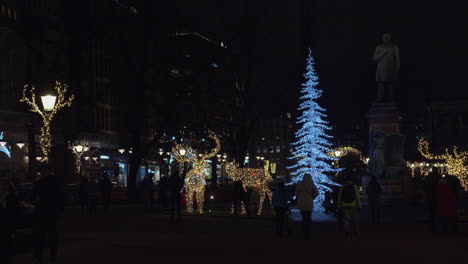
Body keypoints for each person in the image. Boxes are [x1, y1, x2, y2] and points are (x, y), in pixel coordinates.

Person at [32, 164, 64, 264]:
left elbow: (60, 198)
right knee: (45, 236)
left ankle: (45, 257)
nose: (43, 173)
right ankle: (44, 256)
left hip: (47, 212)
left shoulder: (47, 183)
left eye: (44, 171)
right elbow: (32, 197)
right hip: (46, 213)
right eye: (42, 171)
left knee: (47, 236)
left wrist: (39, 201)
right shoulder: (43, 183)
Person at [295, 174, 319, 240]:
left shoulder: (299, 184)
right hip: (309, 203)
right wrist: (312, 197)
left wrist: (297, 200)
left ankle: (304, 230)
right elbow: (317, 193)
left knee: (303, 218)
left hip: (301, 203)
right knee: (308, 218)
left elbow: (296, 194)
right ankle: (308, 232)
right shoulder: (311, 184)